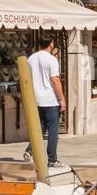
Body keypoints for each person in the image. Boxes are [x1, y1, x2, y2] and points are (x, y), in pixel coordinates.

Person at [27, 38, 65, 168]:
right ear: (51, 44)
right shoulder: (51, 60)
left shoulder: (30, 59)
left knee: (39, 128)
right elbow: (55, 80)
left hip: (35, 100)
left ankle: (29, 150)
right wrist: (62, 99)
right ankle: (52, 160)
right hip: (50, 100)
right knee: (53, 131)